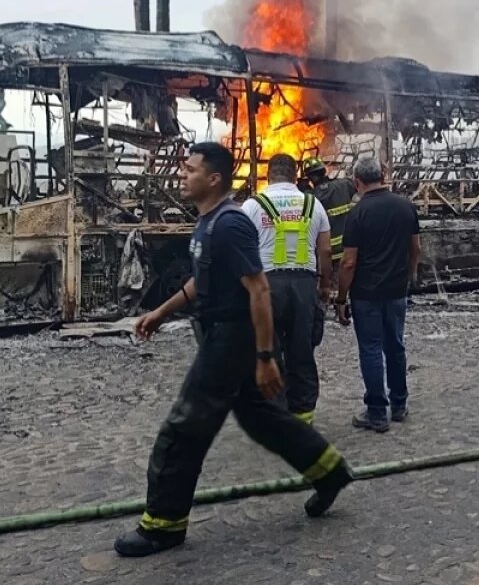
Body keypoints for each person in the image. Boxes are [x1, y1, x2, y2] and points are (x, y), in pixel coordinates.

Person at [116, 142, 353, 557]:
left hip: (229, 338)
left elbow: (258, 288)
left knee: (184, 428)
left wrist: (264, 357)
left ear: (214, 179)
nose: (182, 176)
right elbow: (200, 282)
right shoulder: (209, 224)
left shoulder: (230, 223)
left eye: (190, 170)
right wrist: (160, 312)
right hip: (219, 334)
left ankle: (163, 524)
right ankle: (329, 472)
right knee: (264, 419)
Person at [241, 154, 333, 425]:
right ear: (295, 176)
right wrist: (324, 286)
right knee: (301, 352)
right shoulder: (312, 204)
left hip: (266, 286)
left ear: (268, 175)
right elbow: (325, 250)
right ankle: (303, 418)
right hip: (304, 286)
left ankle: (276, 417)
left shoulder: (252, 206)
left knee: (269, 352)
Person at [335, 156, 421, 433]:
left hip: (366, 294)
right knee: (395, 345)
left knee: (371, 349)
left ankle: (376, 412)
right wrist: (407, 277)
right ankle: (399, 404)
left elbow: (349, 262)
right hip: (396, 291)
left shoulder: (357, 214)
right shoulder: (406, 206)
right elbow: (415, 249)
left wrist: (340, 297)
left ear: (357, 182)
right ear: (383, 175)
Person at [303, 156, 357, 263]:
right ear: (324, 170)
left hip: (327, 254)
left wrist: (303, 188)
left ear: (311, 178)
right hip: (348, 250)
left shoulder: (310, 197)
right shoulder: (345, 184)